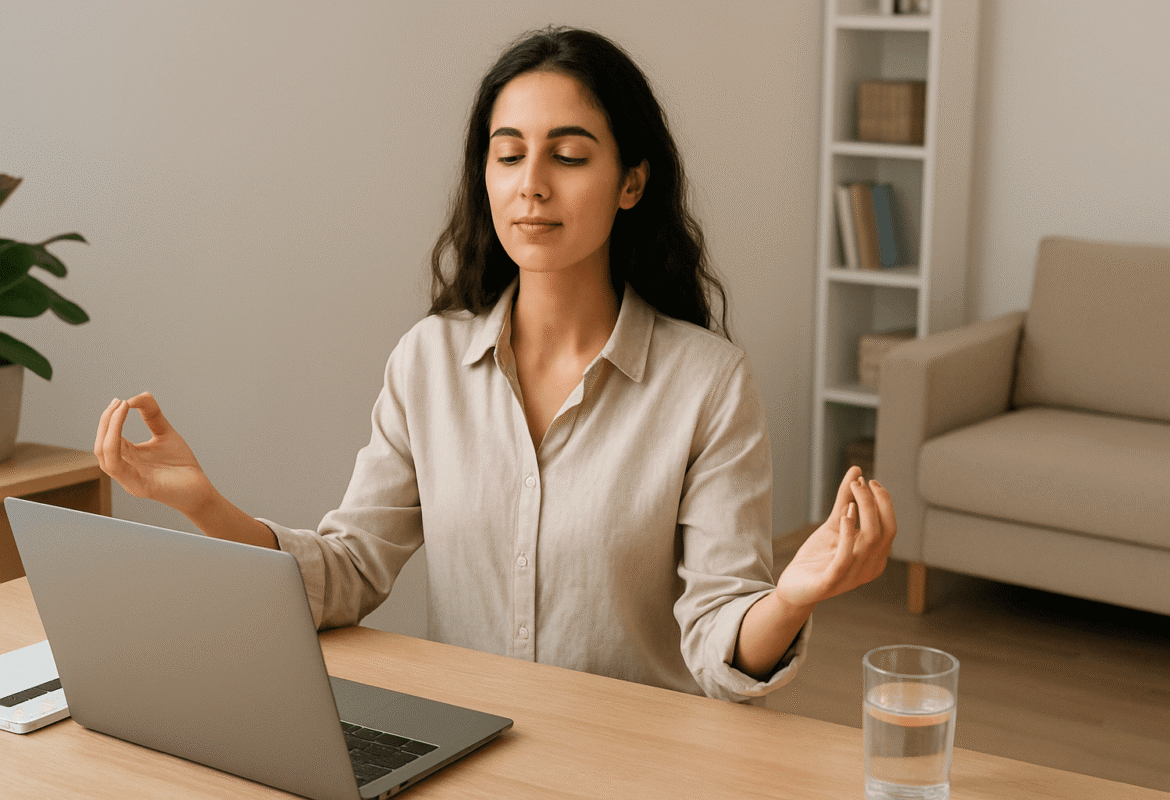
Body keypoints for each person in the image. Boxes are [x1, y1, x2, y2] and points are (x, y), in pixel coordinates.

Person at [94, 26, 895, 704]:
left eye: (569, 157)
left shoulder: (707, 383)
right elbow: (348, 572)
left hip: (629, 764)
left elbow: (721, 642)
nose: (531, 187)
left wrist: (790, 595)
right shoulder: (429, 361)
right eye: (507, 156)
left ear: (632, 183)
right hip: (464, 750)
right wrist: (202, 503)